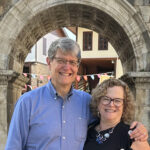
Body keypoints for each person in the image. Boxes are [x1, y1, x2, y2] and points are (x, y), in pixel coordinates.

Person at [5, 38, 148, 150]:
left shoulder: (87, 102)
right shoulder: (27, 102)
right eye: (61, 60)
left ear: (77, 66)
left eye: (72, 62)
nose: (67, 67)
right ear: (49, 62)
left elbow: (110, 118)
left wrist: (138, 129)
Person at [83, 78, 150, 150]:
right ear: (98, 102)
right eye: (106, 99)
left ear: (125, 105)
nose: (111, 104)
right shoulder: (88, 130)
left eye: (117, 101)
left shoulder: (134, 136)